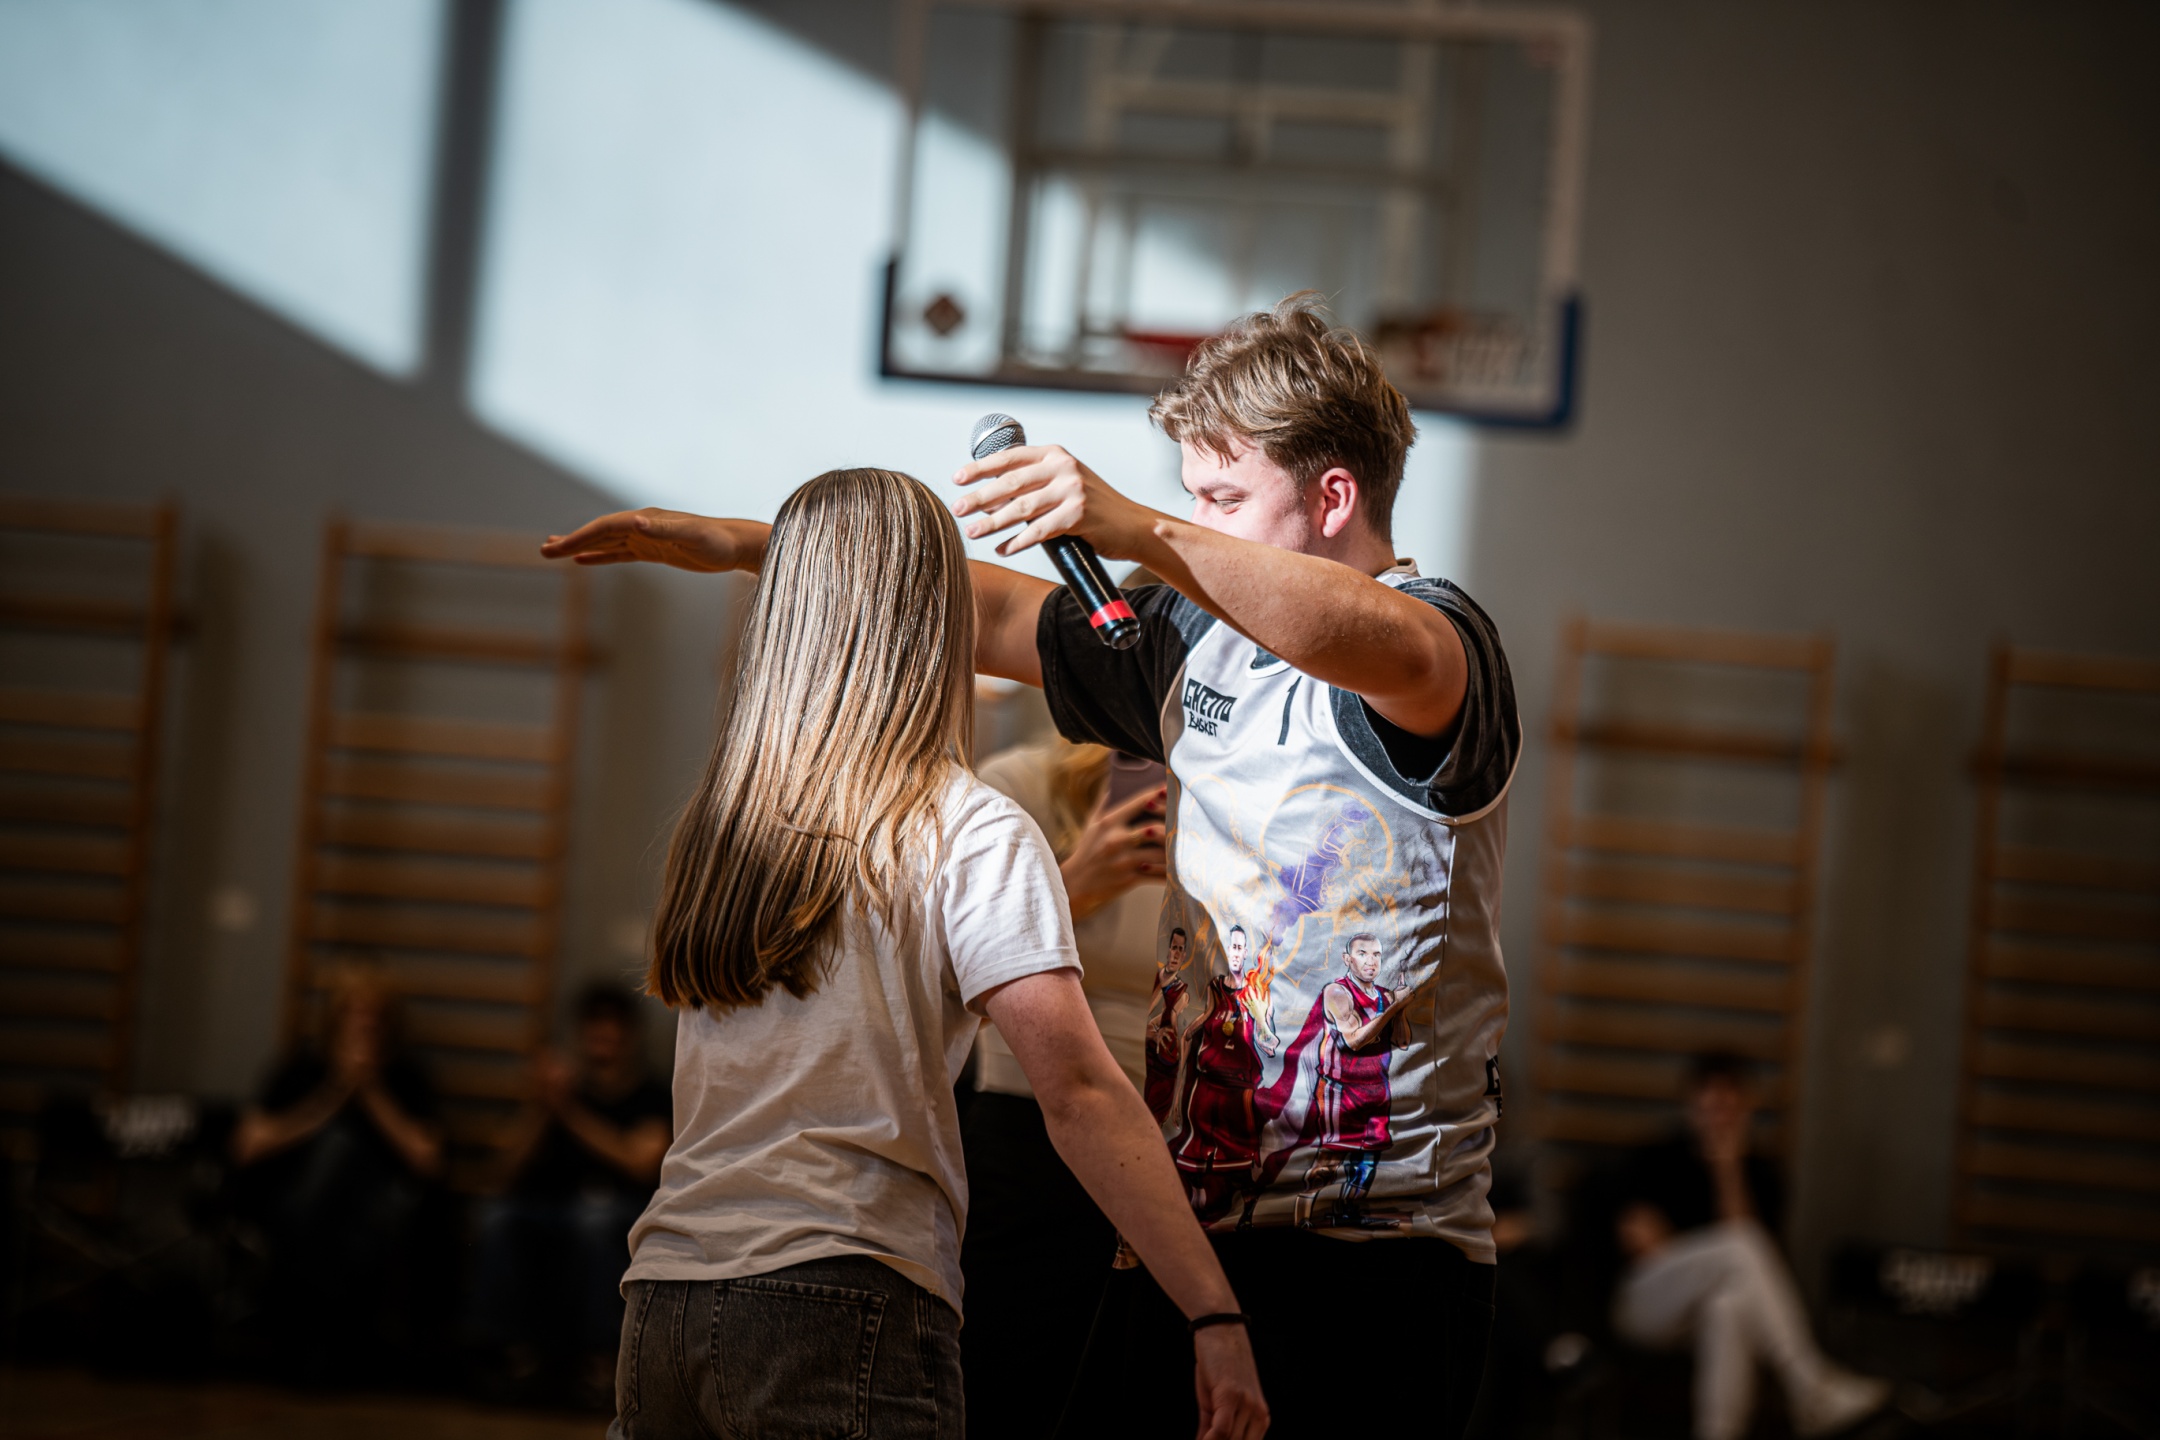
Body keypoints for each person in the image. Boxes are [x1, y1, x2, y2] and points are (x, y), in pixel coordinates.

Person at [543, 295, 1516, 1438]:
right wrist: (755, 547)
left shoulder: (1436, 643)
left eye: (1222, 499)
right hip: (1199, 1219)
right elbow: (983, 607)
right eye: (1190, 497)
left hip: (1376, 1242)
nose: (1194, 520)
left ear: (1334, 497)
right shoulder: (1191, 644)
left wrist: (1141, 528)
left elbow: (1370, 638)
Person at [544, 468, 1265, 1440]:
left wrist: (752, 545)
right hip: (842, 1292)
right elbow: (1080, 1094)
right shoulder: (970, 827)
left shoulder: (728, 824)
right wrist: (1213, 1310)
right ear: (939, 624)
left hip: (668, 1297)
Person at [961, 736, 1167, 1437]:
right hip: (1030, 1123)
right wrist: (1075, 883)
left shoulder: (1229, 799)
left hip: (1171, 1134)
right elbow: (952, 971)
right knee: (1012, 1377)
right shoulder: (1019, 787)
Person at [1612, 1054, 1890, 1440]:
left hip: (1700, 1312)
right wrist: (1711, 1257)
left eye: (1728, 1108)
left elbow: (1755, 1265)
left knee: (1729, 1304)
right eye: (1709, 1105)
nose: (1718, 1117)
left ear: (1746, 1110)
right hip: (1646, 1304)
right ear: (1690, 1105)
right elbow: (1644, 1245)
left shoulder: (1761, 1173)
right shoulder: (1655, 1157)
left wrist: (1728, 1169)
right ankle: (1808, 1384)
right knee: (1740, 1245)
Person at [231, 968, 446, 1383]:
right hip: (300, 1208)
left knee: (346, 1163)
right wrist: (331, 1099)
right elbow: (248, 1144)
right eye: (356, 1013)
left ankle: (320, 1337)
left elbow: (428, 1159)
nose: (366, 1024)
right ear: (335, 1019)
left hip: (378, 1215)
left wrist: (370, 1091)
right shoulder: (303, 1069)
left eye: (376, 1015)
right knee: (334, 1151)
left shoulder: (405, 1077)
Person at [465, 982, 672, 1405]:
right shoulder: (558, 1095)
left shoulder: (650, 1094)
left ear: (630, 1036)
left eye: (612, 1028)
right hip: (548, 1207)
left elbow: (640, 1161)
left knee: (594, 1218)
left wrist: (568, 1112)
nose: (603, 1038)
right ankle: (507, 1355)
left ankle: (599, 1360)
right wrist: (543, 1107)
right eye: (595, 1027)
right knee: (495, 1216)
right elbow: (502, 1172)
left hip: (619, 1209)